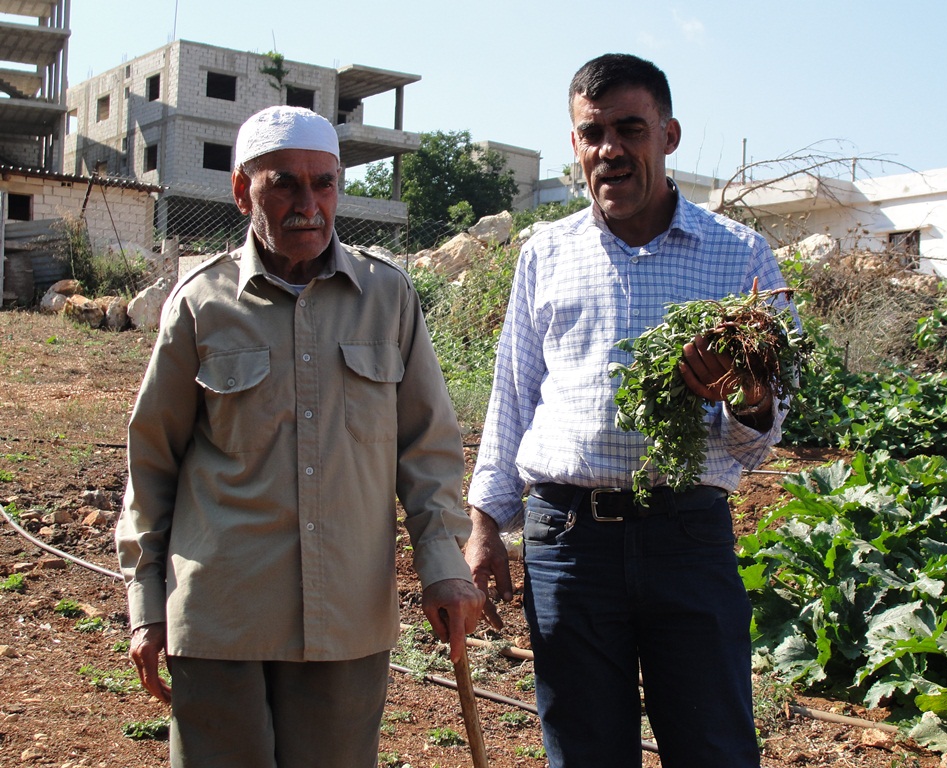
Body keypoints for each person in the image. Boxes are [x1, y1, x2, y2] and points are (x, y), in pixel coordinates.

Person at [115, 105, 484, 768]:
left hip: (346, 621)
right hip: (222, 617)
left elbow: (426, 451)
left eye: (323, 184)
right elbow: (153, 464)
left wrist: (444, 567)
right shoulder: (200, 304)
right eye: (283, 183)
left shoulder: (388, 297)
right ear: (240, 191)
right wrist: (145, 605)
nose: (307, 204)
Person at [465, 54, 795, 767]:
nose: (609, 149)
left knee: (715, 749)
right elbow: (512, 392)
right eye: (592, 133)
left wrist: (740, 389)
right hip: (569, 542)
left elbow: (769, 426)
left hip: (687, 536)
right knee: (584, 753)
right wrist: (486, 524)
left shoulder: (741, 256)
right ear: (577, 146)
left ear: (668, 136)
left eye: (629, 129)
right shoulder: (544, 253)